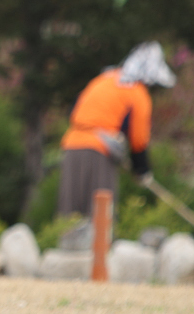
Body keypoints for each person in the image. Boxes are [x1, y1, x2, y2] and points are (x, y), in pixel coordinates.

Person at [58, 42, 177, 221]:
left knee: (70, 213)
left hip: (71, 146)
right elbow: (138, 140)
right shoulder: (137, 93)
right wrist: (142, 170)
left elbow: (74, 111)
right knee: (100, 216)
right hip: (99, 152)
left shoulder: (104, 79)